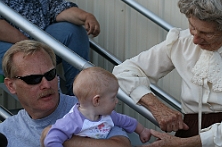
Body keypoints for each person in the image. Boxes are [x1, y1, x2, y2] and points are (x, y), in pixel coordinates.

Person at [113, 0, 222, 146]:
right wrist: (155, 105)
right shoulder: (181, 41)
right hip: (188, 131)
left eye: (206, 33)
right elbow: (124, 71)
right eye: (192, 27)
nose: (195, 39)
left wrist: (182, 144)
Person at [0, 40, 131, 147]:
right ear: (11, 86)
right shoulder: (6, 132)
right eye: (33, 79)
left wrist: (64, 140)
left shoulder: (88, 108)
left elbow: (121, 145)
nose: (46, 85)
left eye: (50, 74)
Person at [0, 0, 100, 95]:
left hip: (39, 41)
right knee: (25, 56)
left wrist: (87, 17)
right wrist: (31, 47)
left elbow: (60, 9)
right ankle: (49, 104)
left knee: (73, 31)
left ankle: (80, 96)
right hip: (9, 44)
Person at [43, 67, 152, 147]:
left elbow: (127, 121)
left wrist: (142, 131)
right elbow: (51, 138)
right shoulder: (73, 120)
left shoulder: (108, 115)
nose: (116, 101)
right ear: (97, 100)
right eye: (113, 97)